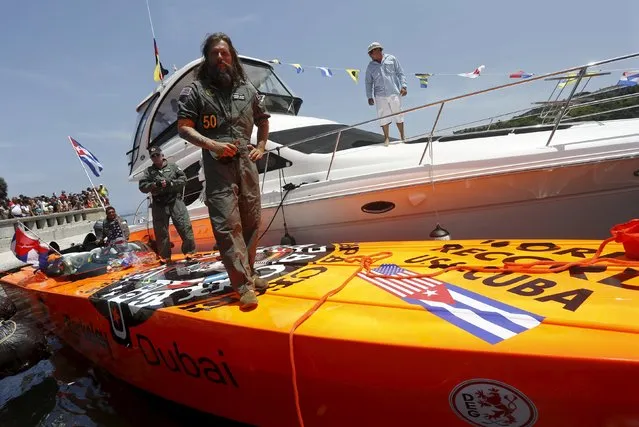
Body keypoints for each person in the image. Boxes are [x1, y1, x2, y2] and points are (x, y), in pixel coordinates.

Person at [176, 32, 270, 311]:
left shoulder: (248, 90)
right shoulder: (195, 91)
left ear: (232, 56)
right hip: (217, 163)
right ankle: (242, 285)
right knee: (228, 226)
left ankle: (250, 274)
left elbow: (263, 121)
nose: (220, 58)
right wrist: (212, 144)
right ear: (207, 58)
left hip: (246, 161)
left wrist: (261, 146)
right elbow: (184, 127)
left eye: (225, 53)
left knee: (251, 220)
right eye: (215, 53)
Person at [138, 146, 197, 263]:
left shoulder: (173, 167)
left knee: (184, 226)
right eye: (153, 156)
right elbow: (142, 187)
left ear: (162, 155)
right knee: (161, 232)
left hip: (174, 201)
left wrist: (171, 183)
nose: (155, 158)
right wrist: (154, 185)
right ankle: (165, 256)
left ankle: (190, 252)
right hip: (159, 204)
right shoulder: (148, 172)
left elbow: (184, 180)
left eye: (157, 155)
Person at [365, 41, 408, 146]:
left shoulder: (392, 59)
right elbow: (368, 82)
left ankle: (402, 136)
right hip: (380, 95)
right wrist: (369, 96)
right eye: (370, 54)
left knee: (398, 113)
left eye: (372, 53)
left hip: (394, 92)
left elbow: (400, 73)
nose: (371, 56)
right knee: (383, 116)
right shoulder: (370, 66)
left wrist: (404, 86)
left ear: (378, 50)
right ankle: (386, 138)